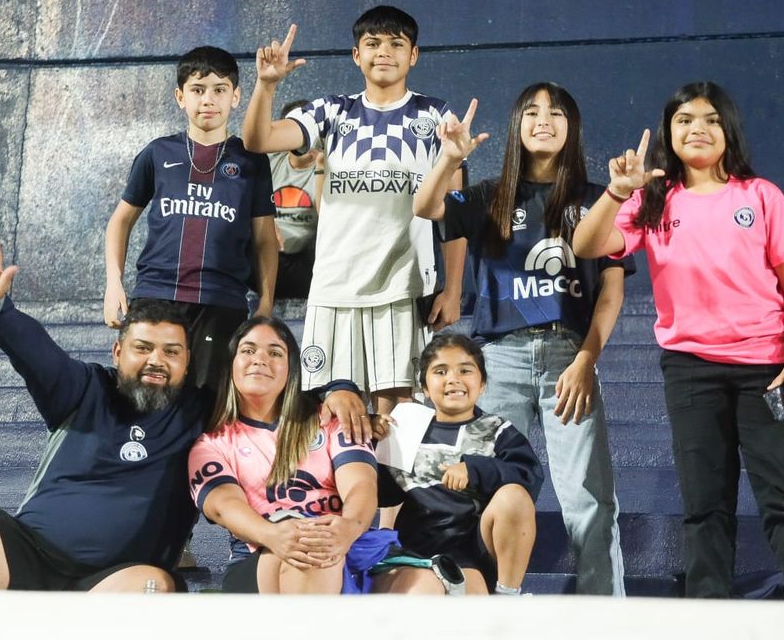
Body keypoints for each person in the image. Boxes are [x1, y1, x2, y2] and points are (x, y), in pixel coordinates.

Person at [0, 229, 366, 592]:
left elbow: (266, 384)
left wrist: (337, 389)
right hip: (29, 554)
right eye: (143, 348)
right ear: (117, 351)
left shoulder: (202, 412)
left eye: (171, 352)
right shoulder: (81, 389)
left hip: (121, 578)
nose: (156, 361)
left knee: (150, 586)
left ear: (188, 362)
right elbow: (34, 353)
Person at [572, 81, 784, 600]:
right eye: (685, 120)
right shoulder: (651, 200)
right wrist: (616, 192)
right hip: (690, 370)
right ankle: (708, 617)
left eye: (711, 119)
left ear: (728, 129)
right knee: (705, 506)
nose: (698, 129)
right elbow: (586, 244)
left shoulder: (761, 196)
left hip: (769, 368)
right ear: (669, 133)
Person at [413, 83, 635, 595]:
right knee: (482, 486)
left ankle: (606, 617)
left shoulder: (597, 199)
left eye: (556, 113)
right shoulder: (490, 195)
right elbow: (426, 207)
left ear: (572, 128)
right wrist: (449, 159)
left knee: (588, 499)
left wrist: (587, 358)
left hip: (568, 359)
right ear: (517, 125)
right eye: (532, 112)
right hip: (499, 358)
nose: (543, 120)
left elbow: (611, 291)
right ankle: (481, 603)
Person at [241, 6, 467, 427]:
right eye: (373, 43)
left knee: (399, 410)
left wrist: (453, 289)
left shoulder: (436, 115)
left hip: (403, 286)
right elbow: (258, 140)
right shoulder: (331, 111)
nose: (384, 52)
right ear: (356, 55)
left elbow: (456, 214)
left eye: (396, 43)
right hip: (334, 286)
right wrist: (266, 86)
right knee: (333, 411)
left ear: (414, 55)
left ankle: (393, 476)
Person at [105, 45, 279, 393]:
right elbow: (120, 221)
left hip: (221, 300)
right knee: (147, 395)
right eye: (198, 90)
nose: (208, 100)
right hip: (155, 294)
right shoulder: (158, 153)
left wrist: (266, 302)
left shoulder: (251, 161)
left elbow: (265, 239)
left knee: (206, 401)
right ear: (180, 97)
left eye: (219, 90)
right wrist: (114, 283)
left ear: (236, 97)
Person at [188, 317, 379, 594]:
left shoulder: (329, 419)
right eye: (248, 350)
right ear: (230, 364)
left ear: (291, 370)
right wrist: (273, 535)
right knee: (310, 549)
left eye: (275, 353)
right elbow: (224, 504)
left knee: (419, 579)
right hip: (259, 551)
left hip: (342, 541)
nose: (260, 359)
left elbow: (361, 484)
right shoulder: (211, 444)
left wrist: (350, 527)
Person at [372, 334, 542, 595]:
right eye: (441, 371)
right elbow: (383, 493)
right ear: (425, 387)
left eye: (465, 370)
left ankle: (507, 596)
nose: (453, 379)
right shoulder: (406, 427)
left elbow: (529, 476)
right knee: (418, 592)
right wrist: (372, 441)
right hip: (416, 550)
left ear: (482, 384)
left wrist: (474, 470)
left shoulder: (497, 430)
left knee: (514, 496)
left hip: (472, 551)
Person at [268, 99, 322, 299]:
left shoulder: (327, 166)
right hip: (265, 252)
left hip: (304, 260)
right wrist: (266, 225)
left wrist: (322, 169)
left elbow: (328, 219)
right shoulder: (269, 160)